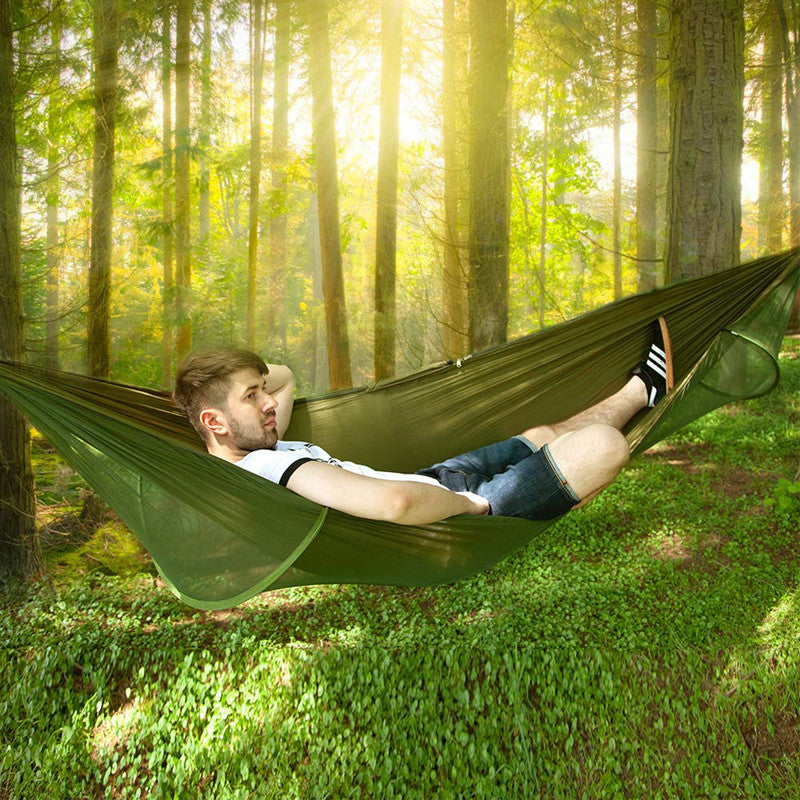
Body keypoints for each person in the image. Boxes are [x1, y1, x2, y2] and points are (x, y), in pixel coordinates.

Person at [172, 319, 673, 526]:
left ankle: (642, 391)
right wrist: (467, 503)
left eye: (260, 392)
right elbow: (395, 503)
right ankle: (638, 393)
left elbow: (283, 380)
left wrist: (246, 378)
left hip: (435, 477)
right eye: (250, 395)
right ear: (215, 421)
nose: (267, 401)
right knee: (604, 446)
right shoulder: (267, 469)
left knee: (541, 436)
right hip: (453, 515)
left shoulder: (256, 439)